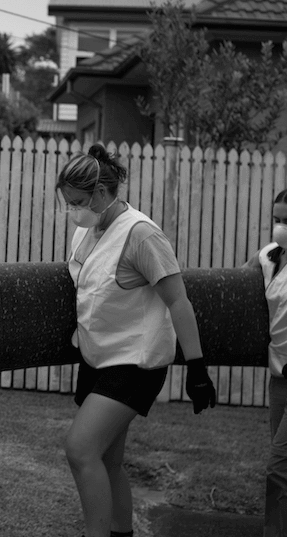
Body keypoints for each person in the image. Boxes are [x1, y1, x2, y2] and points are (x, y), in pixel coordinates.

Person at [56, 145, 216, 537]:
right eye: (67, 203)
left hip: (135, 362)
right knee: (109, 461)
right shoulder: (89, 229)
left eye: (77, 202)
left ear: (101, 193)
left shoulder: (142, 235)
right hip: (98, 357)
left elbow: (178, 300)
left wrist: (196, 368)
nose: (72, 210)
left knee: (80, 449)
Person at [244, 186, 287, 536]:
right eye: (276, 220)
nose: (282, 227)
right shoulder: (270, 255)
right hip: (280, 377)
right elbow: (239, 289)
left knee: (284, 466)